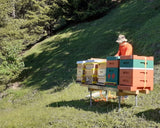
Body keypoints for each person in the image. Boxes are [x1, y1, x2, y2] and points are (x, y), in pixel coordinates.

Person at [115, 34, 133, 99]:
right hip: (121, 63)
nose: (119, 44)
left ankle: (126, 95)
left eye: (120, 42)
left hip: (127, 64)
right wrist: (114, 57)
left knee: (125, 79)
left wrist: (119, 57)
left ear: (123, 41)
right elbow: (118, 53)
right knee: (120, 79)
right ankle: (121, 93)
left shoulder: (129, 46)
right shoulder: (120, 46)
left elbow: (126, 55)